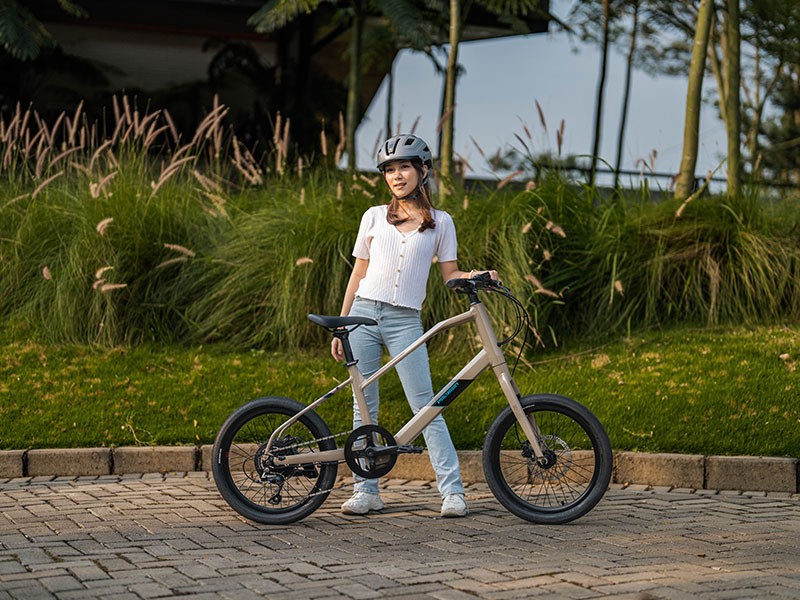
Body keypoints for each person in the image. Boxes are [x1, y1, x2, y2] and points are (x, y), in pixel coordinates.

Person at [331, 134, 498, 518]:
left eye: (404, 167)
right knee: (363, 407)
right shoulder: (373, 216)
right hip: (362, 315)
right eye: (389, 170)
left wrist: (479, 275)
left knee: (427, 406)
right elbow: (358, 273)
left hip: (405, 320)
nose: (396, 175)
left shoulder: (441, 223)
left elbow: (451, 273)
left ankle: (452, 492)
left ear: (423, 171)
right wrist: (342, 324)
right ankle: (365, 490)